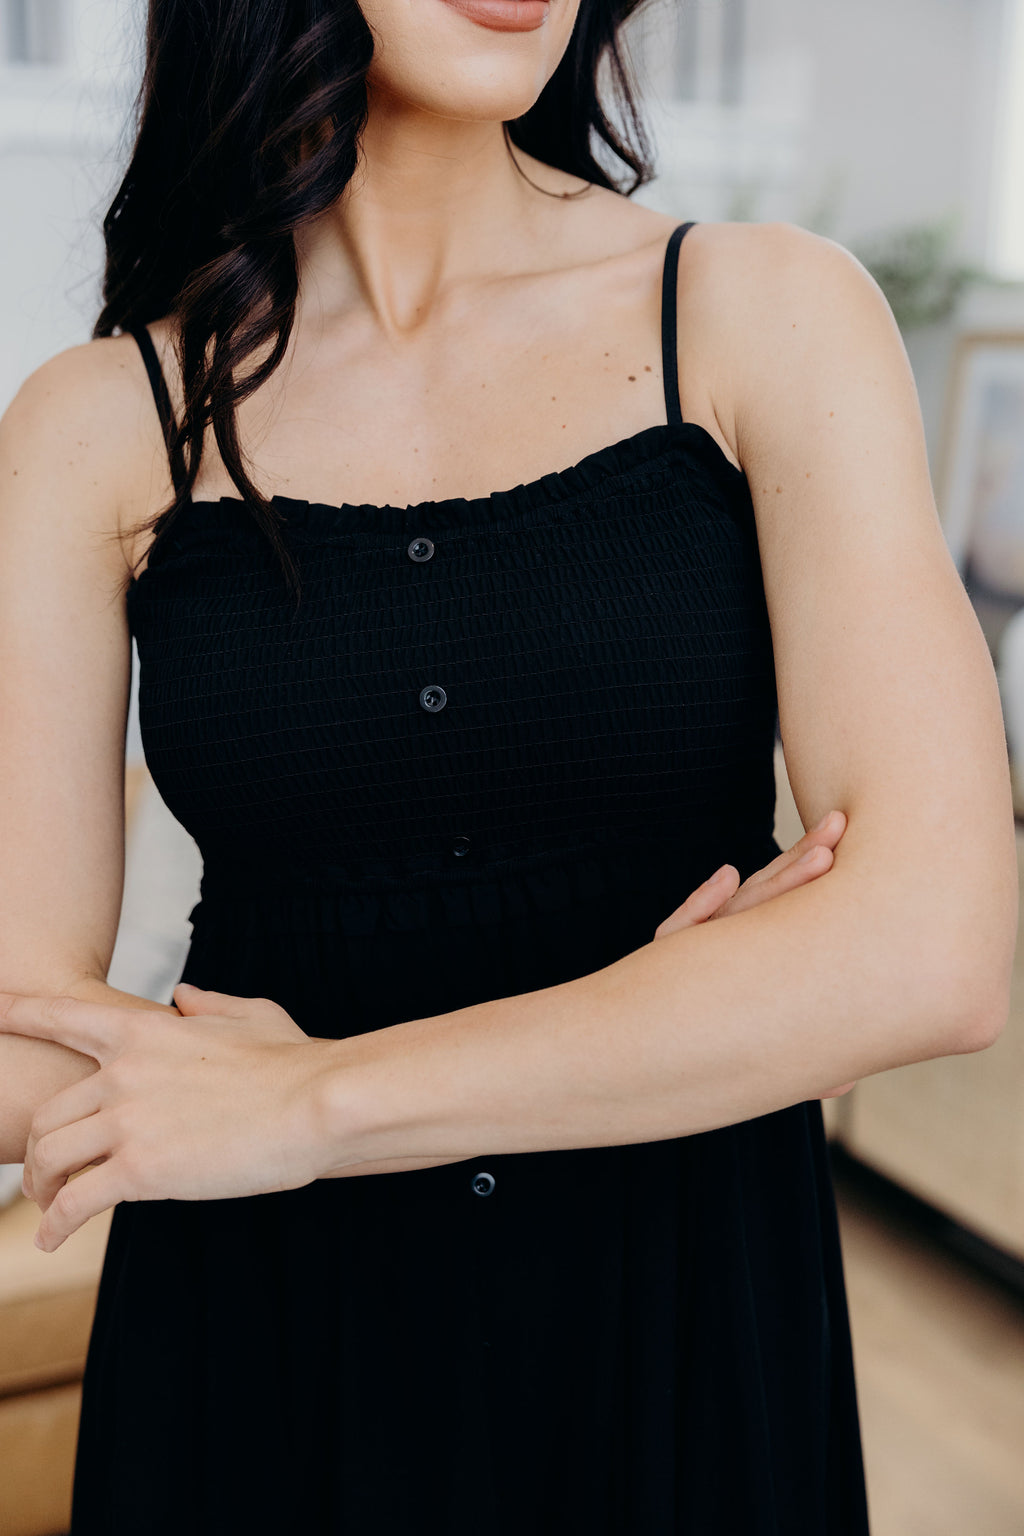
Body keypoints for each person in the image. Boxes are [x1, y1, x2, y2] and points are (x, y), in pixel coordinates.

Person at [0, 0, 1016, 1529]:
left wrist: (316, 1101)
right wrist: (689, 1013)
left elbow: (934, 953)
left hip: (674, 1325)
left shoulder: (765, 314)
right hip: (264, 1351)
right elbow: (21, 1035)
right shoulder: (98, 425)